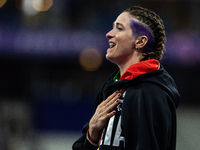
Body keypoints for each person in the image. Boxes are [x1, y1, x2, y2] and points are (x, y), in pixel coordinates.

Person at [72, 6, 180, 150]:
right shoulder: (112, 88)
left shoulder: (151, 91)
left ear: (140, 42)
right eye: (112, 28)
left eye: (119, 28)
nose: (109, 34)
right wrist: (92, 133)